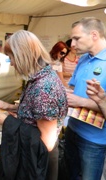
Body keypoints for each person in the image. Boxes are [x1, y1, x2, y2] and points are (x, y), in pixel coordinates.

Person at [0, 30, 68, 180]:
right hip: (34, 159)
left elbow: (46, 144)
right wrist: (9, 106)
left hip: (39, 165)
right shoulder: (40, 77)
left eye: (11, 58)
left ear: (22, 56)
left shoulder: (44, 88)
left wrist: (5, 121)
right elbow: (34, 110)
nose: (12, 64)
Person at [65, 17, 106, 180]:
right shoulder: (83, 59)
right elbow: (73, 89)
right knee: (68, 175)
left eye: (77, 38)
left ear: (94, 35)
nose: (72, 44)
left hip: (94, 140)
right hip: (73, 129)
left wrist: (82, 102)